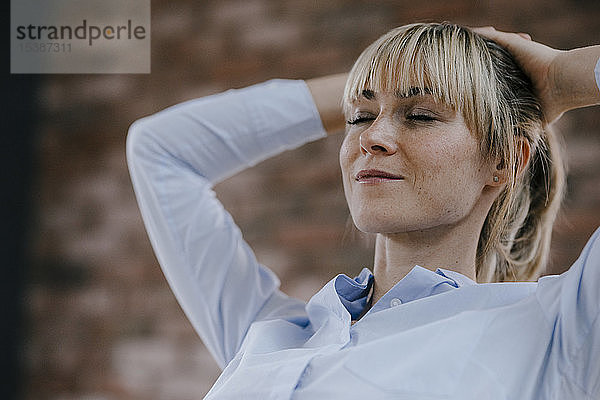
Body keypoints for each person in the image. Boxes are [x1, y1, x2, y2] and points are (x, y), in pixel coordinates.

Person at [126, 22, 600, 399]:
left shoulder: (553, 332)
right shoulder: (272, 335)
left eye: (420, 115)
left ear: (503, 161)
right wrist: (380, 76)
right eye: (359, 116)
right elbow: (159, 149)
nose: (371, 137)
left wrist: (561, 77)